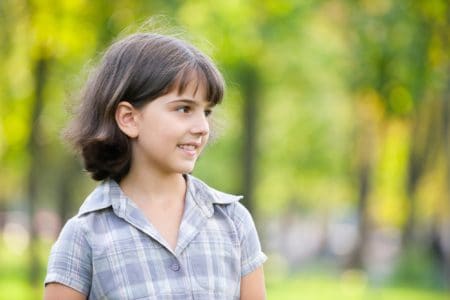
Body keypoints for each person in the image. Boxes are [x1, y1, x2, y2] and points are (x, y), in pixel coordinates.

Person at [44, 31, 267, 300]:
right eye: (184, 109)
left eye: (206, 112)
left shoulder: (233, 221)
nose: (202, 128)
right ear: (129, 118)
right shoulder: (84, 236)